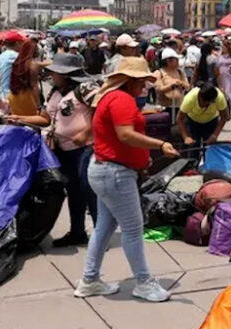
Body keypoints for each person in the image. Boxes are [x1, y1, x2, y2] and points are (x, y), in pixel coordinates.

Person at [76, 56, 177, 302]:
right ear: (129, 80)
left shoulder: (111, 97)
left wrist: (141, 159)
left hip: (106, 170)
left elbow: (120, 138)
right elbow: (125, 135)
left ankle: (89, 280)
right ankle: (143, 283)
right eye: (141, 81)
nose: (144, 85)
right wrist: (160, 145)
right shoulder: (121, 99)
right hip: (115, 174)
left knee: (104, 227)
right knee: (133, 229)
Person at [6, 52, 97, 247]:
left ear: (66, 74)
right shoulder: (54, 92)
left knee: (89, 190)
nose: (51, 75)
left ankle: (101, 235)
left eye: (55, 72)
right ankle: (77, 232)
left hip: (85, 148)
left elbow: (102, 112)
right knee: (73, 191)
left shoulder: (86, 89)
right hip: (62, 148)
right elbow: (45, 119)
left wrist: (86, 132)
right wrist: (20, 119)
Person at [177, 84, 230, 149]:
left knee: (209, 147)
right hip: (192, 121)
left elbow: (224, 117)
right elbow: (179, 118)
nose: (206, 106)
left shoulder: (219, 98)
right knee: (193, 147)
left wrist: (215, 135)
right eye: (205, 103)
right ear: (199, 97)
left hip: (211, 120)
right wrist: (186, 137)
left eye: (209, 103)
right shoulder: (190, 98)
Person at [153, 49, 191, 122]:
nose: (178, 62)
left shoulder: (180, 72)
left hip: (179, 106)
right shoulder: (158, 73)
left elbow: (187, 86)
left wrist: (182, 84)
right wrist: (172, 86)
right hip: (164, 108)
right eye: (176, 60)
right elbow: (159, 89)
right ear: (168, 61)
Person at [7, 39, 43, 117]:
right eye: (35, 49)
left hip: (14, 96)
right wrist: (38, 105)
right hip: (27, 97)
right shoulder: (32, 66)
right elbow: (34, 86)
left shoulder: (16, 63)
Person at [0, 33, 22, 102]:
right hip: (10, 96)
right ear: (17, 43)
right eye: (22, 42)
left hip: (0, 93)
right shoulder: (15, 56)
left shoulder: (1, 56)